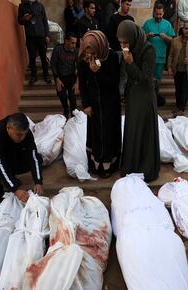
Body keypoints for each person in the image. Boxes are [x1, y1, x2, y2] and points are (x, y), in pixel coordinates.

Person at [117, 20, 161, 182]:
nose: (123, 46)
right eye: (120, 43)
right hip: (134, 96)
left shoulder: (148, 49)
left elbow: (146, 79)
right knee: (132, 130)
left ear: (133, 37)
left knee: (143, 132)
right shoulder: (131, 48)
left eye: (125, 42)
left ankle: (144, 168)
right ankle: (131, 166)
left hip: (145, 97)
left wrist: (130, 62)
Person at [78, 31, 122, 177]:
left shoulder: (112, 56)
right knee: (95, 134)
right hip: (93, 104)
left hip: (110, 103)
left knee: (109, 133)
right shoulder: (84, 59)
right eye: (87, 51)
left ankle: (109, 166)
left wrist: (98, 72)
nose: (91, 55)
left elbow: (114, 82)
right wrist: (85, 105)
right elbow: (83, 84)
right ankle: (96, 166)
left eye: (93, 51)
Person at [0, 113, 44, 203]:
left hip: (9, 156)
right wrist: (15, 189)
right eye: (19, 135)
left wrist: (38, 182)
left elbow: (33, 156)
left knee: (38, 159)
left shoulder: (26, 134)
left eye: (24, 134)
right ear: (8, 128)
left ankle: (10, 179)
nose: (22, 138)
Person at [143, 4, 175, 107]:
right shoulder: (147, 23)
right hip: (148, 58)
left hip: (160, 58)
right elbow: (140, 38)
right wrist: (147, 36)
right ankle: (146, 98)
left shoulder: (168, 24)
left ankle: (154, 98)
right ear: (154, 12)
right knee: (148, 78)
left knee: (157, 80)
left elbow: (173, 41)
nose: (159, 16)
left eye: (160, 14)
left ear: (163, 13)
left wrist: (166, 37)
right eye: (157, 14)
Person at [18, 0, 51, 86]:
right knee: (32, 57)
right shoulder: (22, 6)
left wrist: (47, 35)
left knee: (43, 56)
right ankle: (33, 76)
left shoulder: (40, 5)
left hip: (41, 35)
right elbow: (19, 21)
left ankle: (46, 75)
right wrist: (24, 19)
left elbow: (45, 21)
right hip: (30, 36)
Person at [105, 0, 134, 96]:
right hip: (116, 49)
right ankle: (114, 93)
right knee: (114, 72)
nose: (128, 7)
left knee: (124, 73)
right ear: (121, 4)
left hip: (126, 50)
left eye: (130, 5)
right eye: (126, 4)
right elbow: (109, 34)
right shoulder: (114, 18)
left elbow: (133, 35)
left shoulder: (131, 19)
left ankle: (121, 93)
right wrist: (120, 36)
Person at [51, 33, 79, 118]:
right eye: (72, 43)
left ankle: (74, 116)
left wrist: (77, 82)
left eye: (75, 43)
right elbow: (53, 64)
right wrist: (57, 79)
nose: (74, 45)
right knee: (62, 95)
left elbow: (79, 67)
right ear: (66, 41)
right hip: (60, 77)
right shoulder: (58, 49)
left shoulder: (76, 51)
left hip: (71, 77)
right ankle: (65, 110)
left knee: (72, 98)